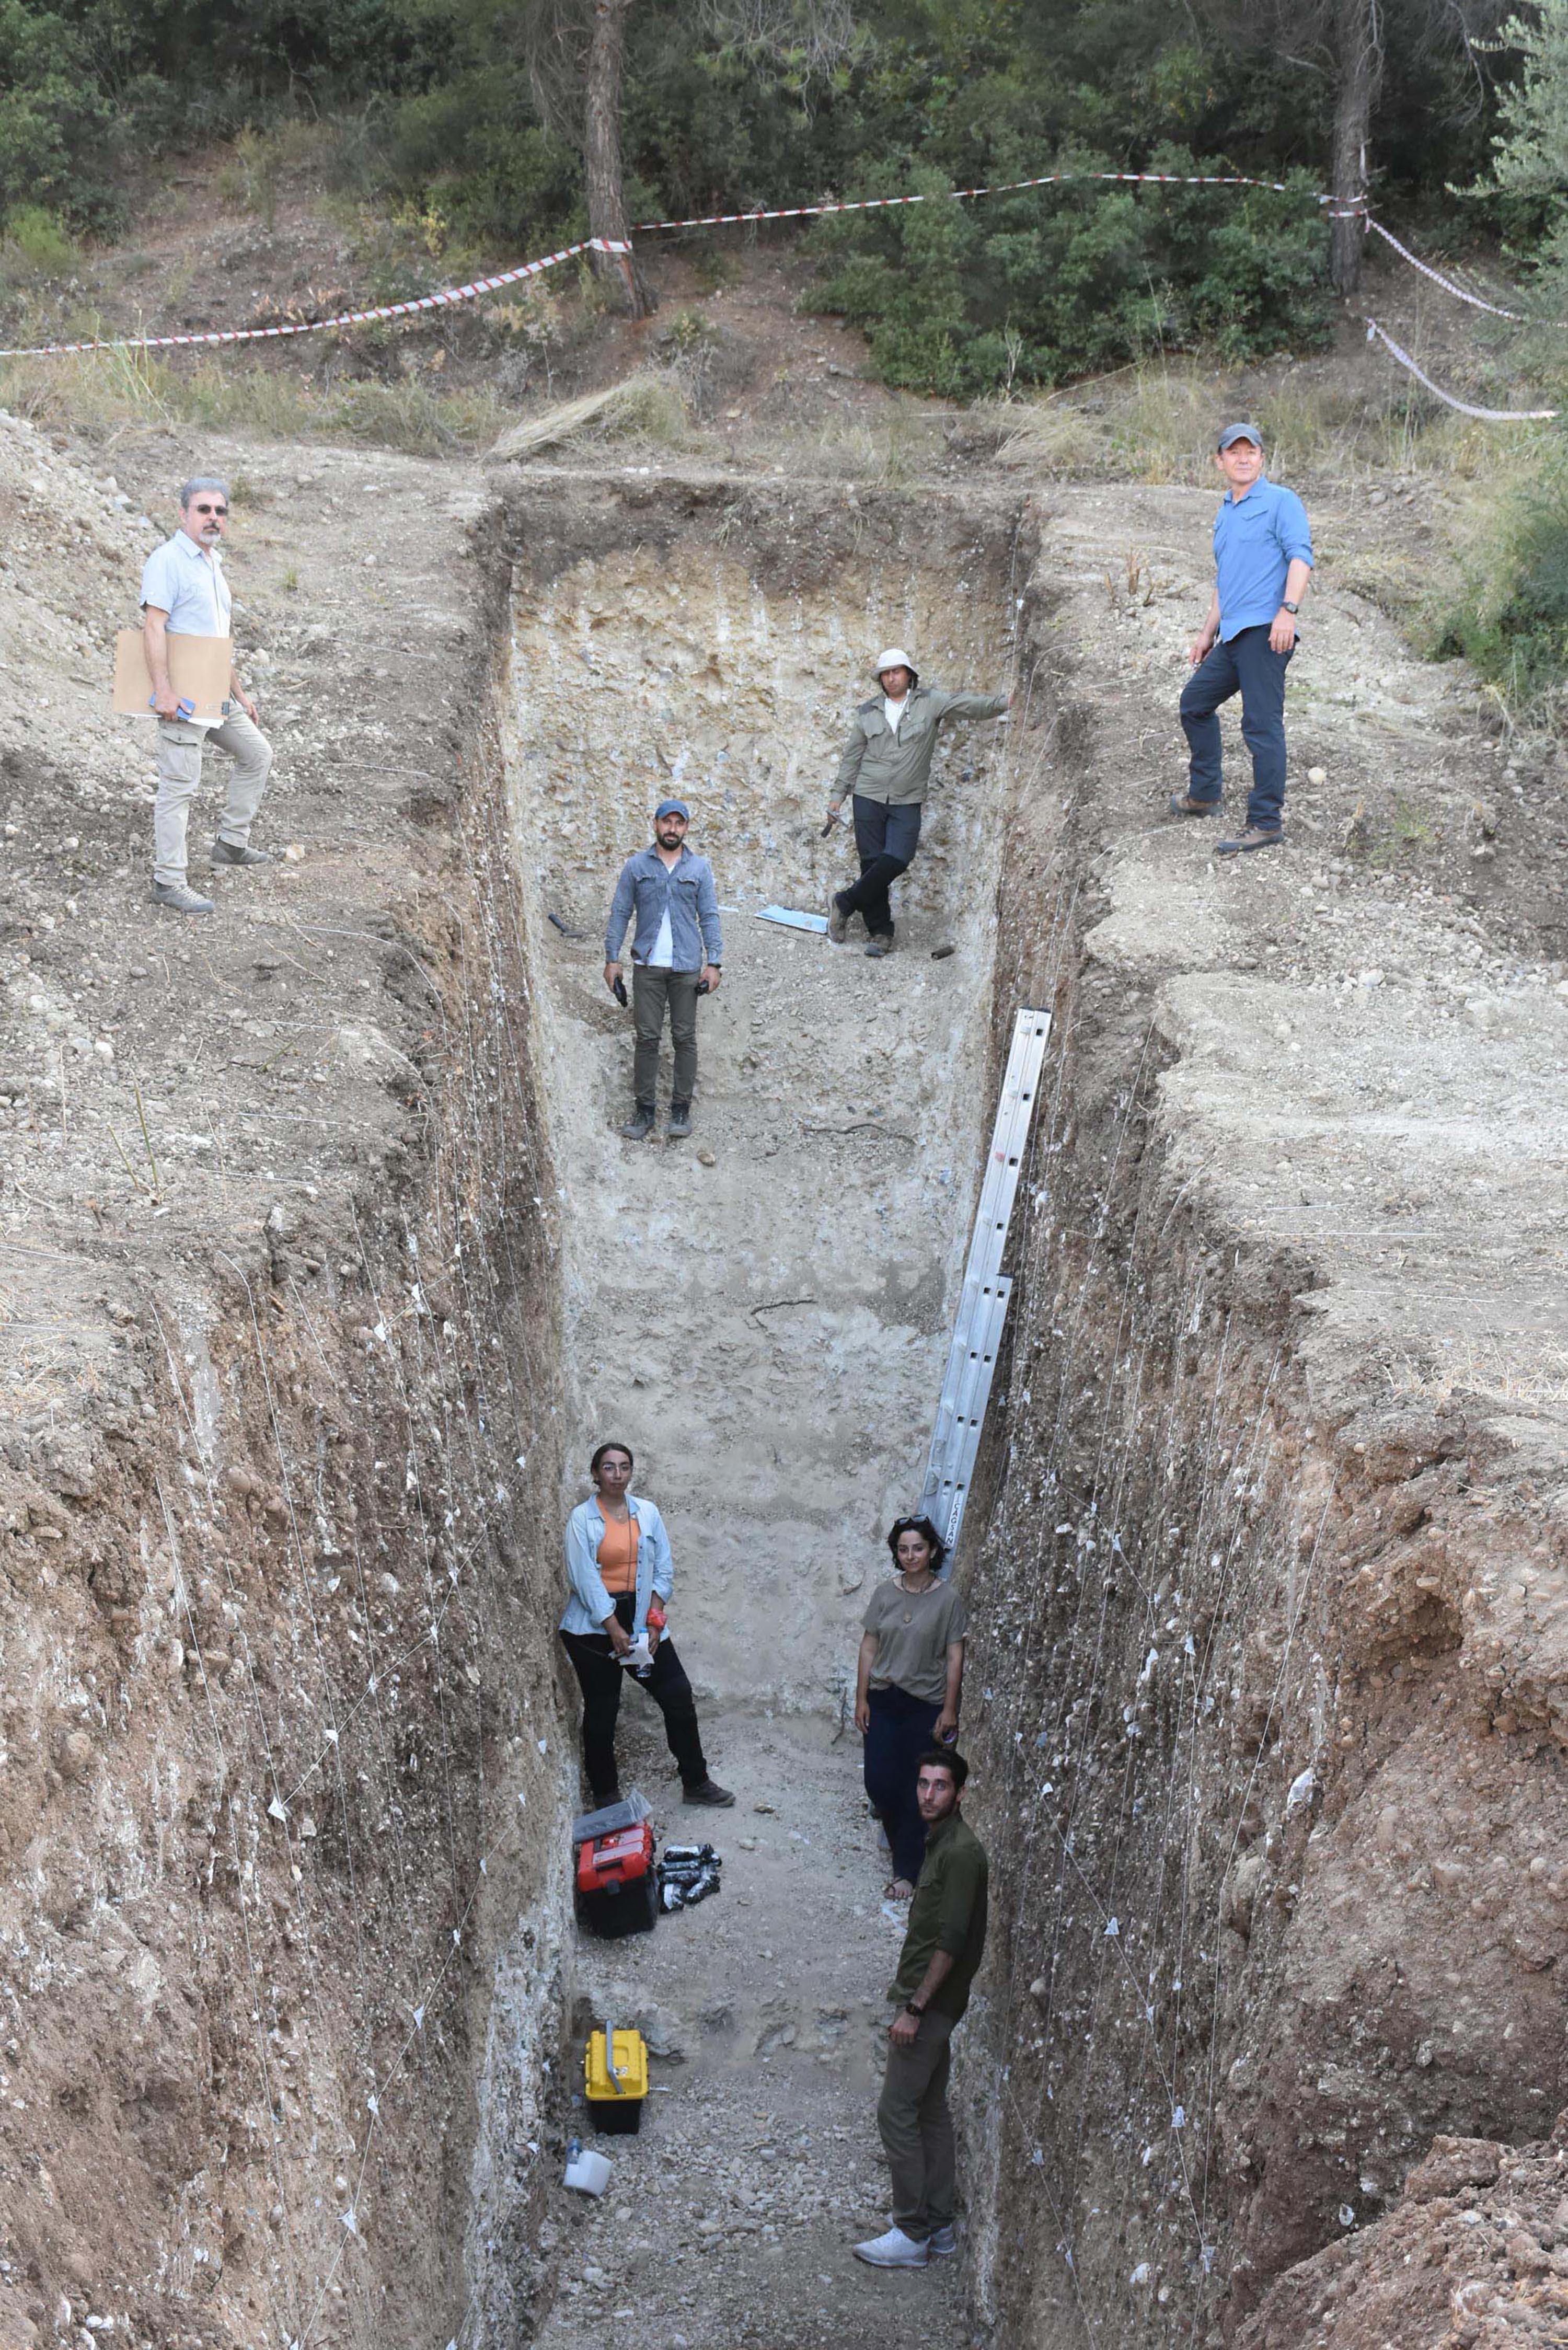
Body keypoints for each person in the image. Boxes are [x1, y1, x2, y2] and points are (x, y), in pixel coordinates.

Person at [854, 1748, 989, 2270]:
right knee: (931, 2109)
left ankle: (910, 2231)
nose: (929, 1794)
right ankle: (939, 2225)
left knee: (896, 2112)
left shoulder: (961, 1853)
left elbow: (951, 1941)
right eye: (924, 1783)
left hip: (929, 2004)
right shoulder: (944, 1843)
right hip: (935, 2002)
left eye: (941, 1786)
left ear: (959, 1793)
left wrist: (913, 2008)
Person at [559, 1441, 733, 1808]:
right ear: (595, 1474)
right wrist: (613, 1628)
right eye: (609, 1467)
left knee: (678, 1695)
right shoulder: (581, 1519)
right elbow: (585, 1579)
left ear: (631, 1473)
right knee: (603, 1710)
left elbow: (664, 1570)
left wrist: (654, 1623)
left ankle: (696, 1782)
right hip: (593, 1630)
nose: (617, 1475)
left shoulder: (648, 1513)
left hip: (641, 1620)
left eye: (624, 1467)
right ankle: (607, 1796)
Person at [1172, 423, 1314, 857]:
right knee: (1194, 704)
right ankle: (1205, 795)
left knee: (1261, 726)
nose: (1243, 458)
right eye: (1234, 452)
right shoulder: (1225, 512)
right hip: (1232, 635)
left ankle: (1266, 821)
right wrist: (1206, 632)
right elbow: (1226, 579)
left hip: (1266, 634)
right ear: (1220, 461)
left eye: (1250, 451)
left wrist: (1287, 612)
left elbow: (1300, 558)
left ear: (1262, 457)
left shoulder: (1280, 501)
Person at [141, 476, 274, 915]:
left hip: (216, 689)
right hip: (182, 693)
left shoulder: (211, 563)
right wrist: (163, 691)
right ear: (183, 514)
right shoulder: (168, 561)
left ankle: (231, 845)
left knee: (257, 754)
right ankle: (169, 881)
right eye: (204, 510)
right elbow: (154, 626)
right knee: (180, 786)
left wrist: (239, 692)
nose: (213, 517)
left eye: (220, 511)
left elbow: (218, 637)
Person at [825, 650, 1010, 957]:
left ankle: (844, 902)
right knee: (872, 865)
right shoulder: (868, 711)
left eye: (897, 671)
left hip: (906, 799)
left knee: (897, 858)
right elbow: (852, 757)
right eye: (885, 673)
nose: (891, 678)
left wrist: (1003, 704)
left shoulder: (930, 702)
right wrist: (837, 796)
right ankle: (881, 932)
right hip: (868, 795)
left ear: (909, 674)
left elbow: (968, 705)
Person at [855, 1516, 966, 1899]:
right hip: (885, 1698)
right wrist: (861, 1698)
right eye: (903, 1549)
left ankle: (906, 1871)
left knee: (915, 1788)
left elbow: (955, 1657)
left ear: (932, 1551)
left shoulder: (948, 1599)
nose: (910, 1555)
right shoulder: (885, 1594)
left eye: (918, 1548)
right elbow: (869, 1646)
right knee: (879, 1783)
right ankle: (899, 1837)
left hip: (926, 1704)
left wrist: (949, 1709)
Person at [604, 799, 723, 1141]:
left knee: (685, 1039)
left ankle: (681, 1111)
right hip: (648, 967)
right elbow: (620, 912)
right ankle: (644, 1113)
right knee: (647, 1040)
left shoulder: (699, 869)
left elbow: (710, 916)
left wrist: (713, 963)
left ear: (686, 828)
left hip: (686, 967)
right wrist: (613, 959)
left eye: (679, 823)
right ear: (655, 824)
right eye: (667, 822)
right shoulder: (636, 866)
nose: (673, 829)